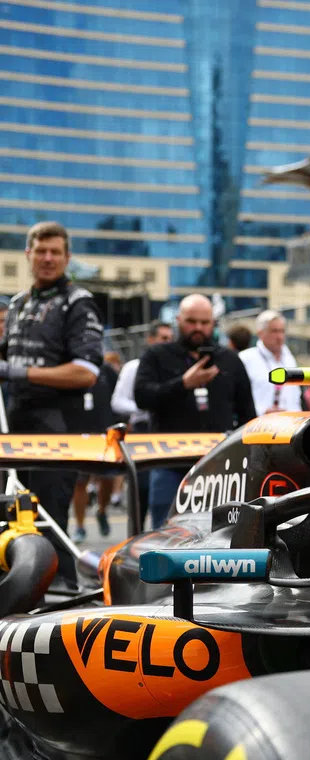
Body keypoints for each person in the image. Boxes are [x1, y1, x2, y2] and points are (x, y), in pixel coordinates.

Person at [0, 221, 104, 586]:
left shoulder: (79, 301)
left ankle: (62, 615)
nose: (47, 258)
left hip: (58, 433)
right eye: (40, 251)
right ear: (27, 254)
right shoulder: (17, 303)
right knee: (13, 525)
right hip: (13, 434)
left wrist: (19, 372)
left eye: (55, 252)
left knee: (49, 526)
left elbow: (86, 372)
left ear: (67, 257)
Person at [135, 294, 256, 527]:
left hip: (219, 468)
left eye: (204, 322)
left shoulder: (230, 360)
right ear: (178, 320)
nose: (198, 328)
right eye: (191, 321)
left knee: (220, 535)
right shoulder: (157, 355)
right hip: (169, 462)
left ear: (213, 323)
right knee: (165, 532)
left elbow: (247, 414)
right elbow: (142, 397)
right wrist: (183, 384)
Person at [112, 321, 173, 515]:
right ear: (150, 339)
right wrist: (145, 407)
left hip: (170, 433)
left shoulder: (175, 368)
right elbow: (117, 401)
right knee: (143, 489)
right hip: (143, 432)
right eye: (163, 338)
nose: (167, 342)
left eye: (170, 339)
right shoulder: (133, 367)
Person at [70, 353, 121, 541]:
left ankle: (102, 510)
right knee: (80, 481)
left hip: (104, 433)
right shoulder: (71, 369)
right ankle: (80, 526)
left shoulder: (107, 371)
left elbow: (118, 398)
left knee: (108, 478)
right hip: (79, 434)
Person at [239, 310, 302, 415]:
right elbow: (239, 398)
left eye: (282, 331)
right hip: (259, 426)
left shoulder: (289, 358)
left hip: (292, 424)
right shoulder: (246, 358)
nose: (280, 337)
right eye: (274, 331)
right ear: (260, 333)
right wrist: (261, 412)